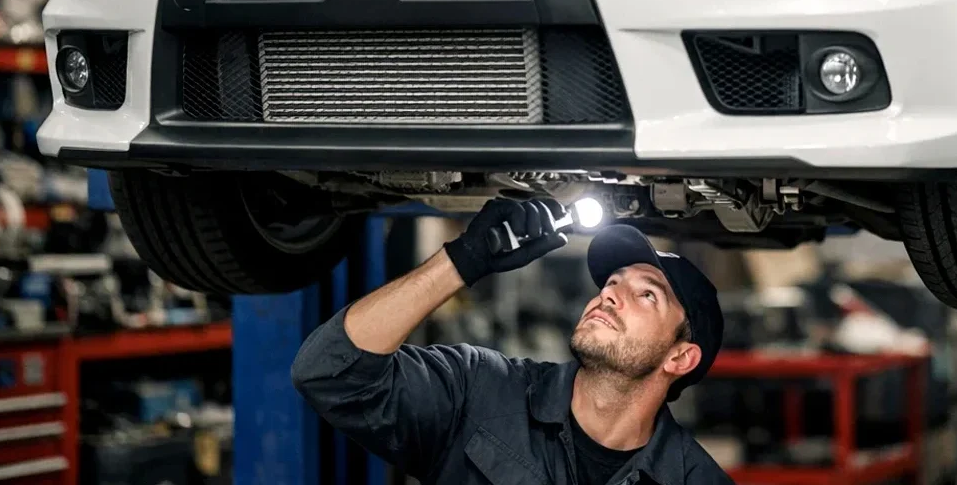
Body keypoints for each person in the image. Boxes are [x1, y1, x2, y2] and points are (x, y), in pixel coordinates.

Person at [291, 198, 734, 485]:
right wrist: (461, 262)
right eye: (612, 282)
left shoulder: (695, 479)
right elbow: (330, 373)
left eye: (646, 294)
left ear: (680, 356)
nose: (609, 293)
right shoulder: (478, 389)